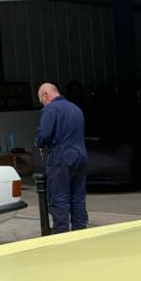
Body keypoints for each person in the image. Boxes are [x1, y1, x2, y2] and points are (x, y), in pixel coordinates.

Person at [36, 82, 88, 232]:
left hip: (61, 157)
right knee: (78, 197)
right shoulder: (76, 109)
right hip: (81, 156)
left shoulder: (50, 109)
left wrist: (38, 142)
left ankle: (61, 234)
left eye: (42, 100)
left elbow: (44, 134)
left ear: (45, 95)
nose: (43, 103)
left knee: (59, 197)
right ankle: (80, 231)